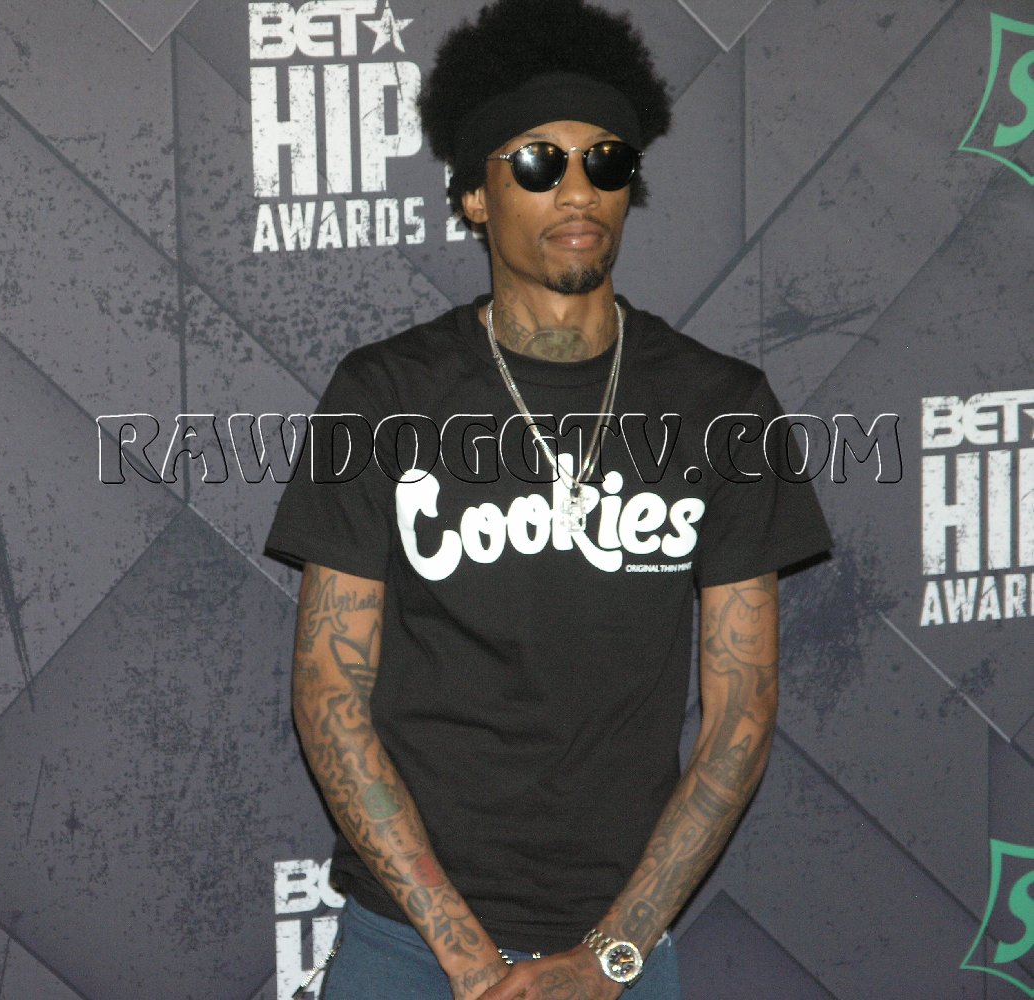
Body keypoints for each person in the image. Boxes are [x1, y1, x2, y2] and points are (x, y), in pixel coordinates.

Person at [265, 1, 833, 997]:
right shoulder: (386, 395)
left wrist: (610, 955)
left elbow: (741, 711)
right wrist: (467, 960)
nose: (577, 189)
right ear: (474, 196)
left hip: (619, 954)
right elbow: (327, 691)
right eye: (536, 161)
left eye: (605, 161)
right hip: (408, 947)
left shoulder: (722, 408)